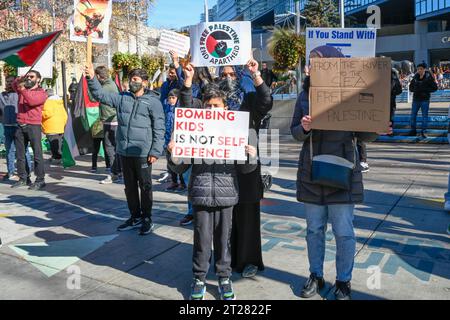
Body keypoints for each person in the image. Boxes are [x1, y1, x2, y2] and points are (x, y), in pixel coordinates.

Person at [291, 45, 381, 300]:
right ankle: (316, 275)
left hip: (343, 172)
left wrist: (377, 127)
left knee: (344, 231)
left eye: (316, 63)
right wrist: (305, 127)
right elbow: (295, 132)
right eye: (309, 63)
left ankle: (343, 280)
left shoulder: (352, 93)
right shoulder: (304, 95)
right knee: (314, 230)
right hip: (312, 171)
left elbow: (365, 134)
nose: (310, 67)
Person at [167, 63, 258, 300]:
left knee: (224, 240)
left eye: (216, 106)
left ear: (225, 107)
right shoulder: (195, 130)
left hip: (227, 193)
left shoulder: (238, 129)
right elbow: (180, 165)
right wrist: (174, 152)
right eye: (208, 106)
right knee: (202, 239)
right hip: (200, 192)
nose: (212, 110)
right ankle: (199, 279)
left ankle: (224, 277)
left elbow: (248, 168)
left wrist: (251, 154)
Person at [85, 65, 165, 236]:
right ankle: (134, 216)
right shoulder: (122, 98)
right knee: (129, 187)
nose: (132, 83)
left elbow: (159, 128)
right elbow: (100, 95)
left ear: (145, 82)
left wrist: (155, 151)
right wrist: (92, 78)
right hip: (125, 151)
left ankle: (147, 218)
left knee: (145, 186)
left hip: (143, 152)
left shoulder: (153, 102)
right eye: (130, 80)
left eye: (136, 80)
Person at [216, 61, 273, 279]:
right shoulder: (215, 104)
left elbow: (266, 101)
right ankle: (226, 260)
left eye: (231, 74)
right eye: (223, 73)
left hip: (247, 167)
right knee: (225, 218)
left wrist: (256, 75)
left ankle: (249, 260)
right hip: (221, 168)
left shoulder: (249, 100)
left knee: (248, 215)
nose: (227, 77)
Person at [12, 70, 48, 190]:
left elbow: (32, 101)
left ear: (38, 79)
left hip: (34, 126)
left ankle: (40, 179)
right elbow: (13, 85)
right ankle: (23, 178)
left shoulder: (42, 93)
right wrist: (20, 78)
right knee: (20, 154)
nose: (29, 78)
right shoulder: (23, 90)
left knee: (37, 154)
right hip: (20, 124)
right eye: (28, 76)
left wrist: (23, 89)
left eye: (31, 77)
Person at [94, 66, 122, 184]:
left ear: (99, 76)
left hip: (111, 120)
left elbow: (95, 95)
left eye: (96, 77)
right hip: (111, 119)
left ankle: (114, 173)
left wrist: (92, 83)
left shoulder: (106, 87)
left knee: (110, 147)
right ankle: (118, 171)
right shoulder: (110, 84)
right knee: (114, 148)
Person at [0, 75, 32, 181]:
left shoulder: (19, 94)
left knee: (23, 150)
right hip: (6, 126)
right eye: (7, 81)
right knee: (9, 150)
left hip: (18, 125)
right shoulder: (1, 95)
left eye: (11, 81)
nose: (8, 83)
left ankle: (27, 172)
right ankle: (11, 172)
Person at [163, 88, 186, 192]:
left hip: (177, 140)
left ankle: (182, 182)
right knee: (170, 162)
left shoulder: (180, 110)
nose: (171, 100)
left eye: (173, 98)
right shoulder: (166, 108)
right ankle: (174, 181)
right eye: (169, 98)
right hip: (167, 139)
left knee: (178, 162)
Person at [409, 63, 438, 138]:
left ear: (424, 69)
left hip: (425, 100)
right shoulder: (415, 77)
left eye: (421, 69)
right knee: (413, 116)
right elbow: (410, 88)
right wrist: (416, 89)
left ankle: (424, 131)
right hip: (415, 100)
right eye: (418, 69)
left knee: (424, 116)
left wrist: (425, 90)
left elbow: (435, 88)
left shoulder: (429, 77)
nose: (419, 70)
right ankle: (413, 131)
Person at [41, 89, 68, 165]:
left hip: (51, 126)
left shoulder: (48, 102)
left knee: (53, 144)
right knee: (58, 142)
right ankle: (57, 156)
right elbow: (65, 114)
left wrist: (39, 113)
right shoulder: (59, 102)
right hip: (60, 125)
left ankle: (56, 158)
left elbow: (47, 113)